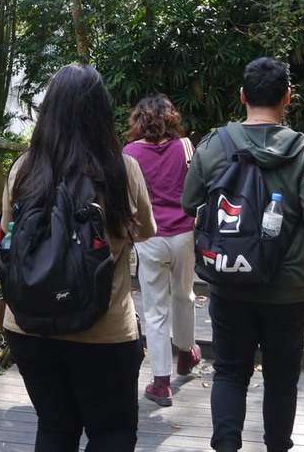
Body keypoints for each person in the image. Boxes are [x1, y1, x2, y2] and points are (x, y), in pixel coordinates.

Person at [182, 57, 304, 452]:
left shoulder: (213, 144)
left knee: (228, 374)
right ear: (287, 98)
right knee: (281, 376)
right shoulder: (303, 149)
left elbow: (189, 201)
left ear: (242, 96)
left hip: (228, 277)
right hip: (287, 286)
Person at [1, 63, 157, 451]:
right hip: (104, 330)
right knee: (112, 432)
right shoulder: (122, 169)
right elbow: (148, 230)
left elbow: (8, 231)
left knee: (55, 427)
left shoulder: (24, 168)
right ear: (101, 112)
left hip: (29, 326)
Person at [123, 96, 201, 408]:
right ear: (171, 118)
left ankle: (161, 382)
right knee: (184, 295)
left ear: (138, 120)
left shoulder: (130, 153)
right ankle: (185, 351)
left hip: (149, 236)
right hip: (184, 233)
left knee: (155, 309)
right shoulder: (185, 147)